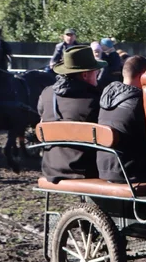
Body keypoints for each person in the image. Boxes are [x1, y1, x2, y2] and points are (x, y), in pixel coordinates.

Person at [37, 45, 102, 181]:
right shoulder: (95, 100)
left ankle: (82, 203)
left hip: (51, 169)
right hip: (86, 171)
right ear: (85, 74)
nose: (98, 75)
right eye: (96, 71)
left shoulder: (47, 93)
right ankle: (87, 204)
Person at [98, 55, 146, 183]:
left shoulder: (107, 96)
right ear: (143, 76)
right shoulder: (140, 102)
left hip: (104, 169)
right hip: (131, 173)